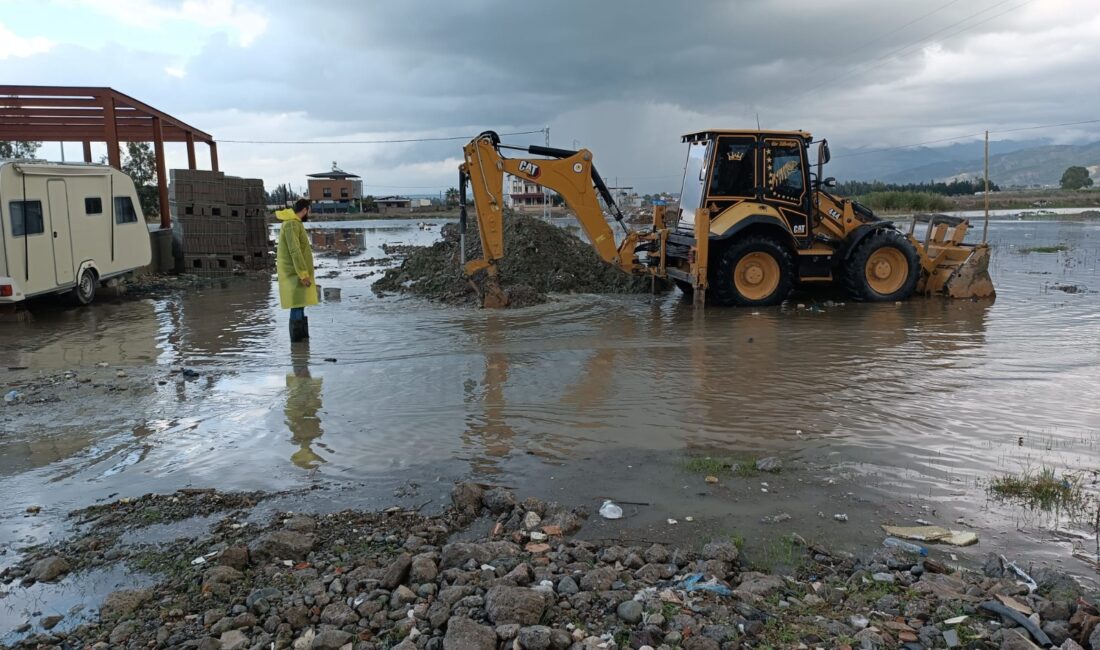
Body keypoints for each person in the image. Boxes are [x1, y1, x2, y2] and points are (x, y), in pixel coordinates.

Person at [275, 199, 318, 342]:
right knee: (297, 305)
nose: (309, 213)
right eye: (309, 210)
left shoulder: (292, 222)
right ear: (305, 210)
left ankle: (301, 348)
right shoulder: (292, 224)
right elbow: (295, 250)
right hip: (294, 273)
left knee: (300, 304)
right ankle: (297, 342)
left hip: (296, 272)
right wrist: (303, 274)